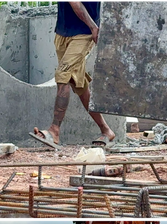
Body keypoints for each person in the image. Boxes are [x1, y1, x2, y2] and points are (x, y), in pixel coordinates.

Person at [30, 1, 115, 149]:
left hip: (85, 32)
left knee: (63, 74)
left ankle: (54, 131)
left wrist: (94, 27)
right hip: (63, 31)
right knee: (78, 83)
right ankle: (106, 130)